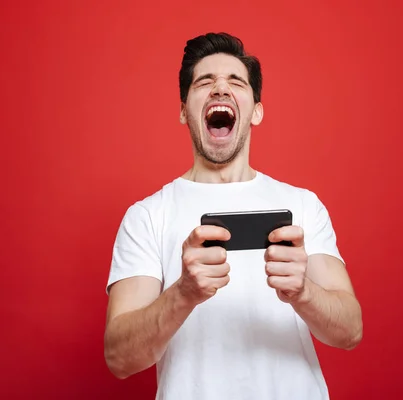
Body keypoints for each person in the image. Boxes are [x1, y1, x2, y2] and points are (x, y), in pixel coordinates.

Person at [104, 32, 363, 400]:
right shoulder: (146, 217)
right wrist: (184, 293)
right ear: (183, 110)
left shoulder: (303, 205)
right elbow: (119, 357)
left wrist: (303, 292)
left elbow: (350, 330)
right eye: (205, 82)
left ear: (256, 110)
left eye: (235, 82)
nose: (220, 89)